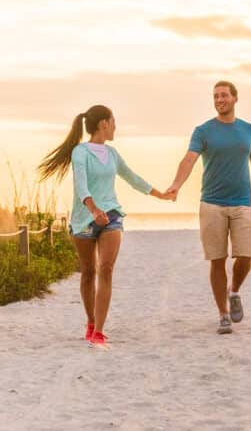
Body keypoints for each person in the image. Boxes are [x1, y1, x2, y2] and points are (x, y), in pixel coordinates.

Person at [37, 104, 174, 349]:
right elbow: (81, 184)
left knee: (106, 268)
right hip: (84, 219)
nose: (115, 127)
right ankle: (90, 322)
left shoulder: (112, 154)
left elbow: (132, 177)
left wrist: (159, 195)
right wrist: (93, 209)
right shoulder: (80, 152)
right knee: (88, 272)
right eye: (113, 121)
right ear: (103, 124)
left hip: (111, 215)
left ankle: (99, 330)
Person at [166, 81, 251, 335]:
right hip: (212, 204)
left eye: (224, 95)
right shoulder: (203, 131)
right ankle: (223, 314)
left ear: (235, 98)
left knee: (245, 256)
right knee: (217, 260)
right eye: (215, 96)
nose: (219, 99)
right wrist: (176, 185)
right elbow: (189, 159)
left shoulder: (249, 130)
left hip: (243, 203)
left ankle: (234, 292)